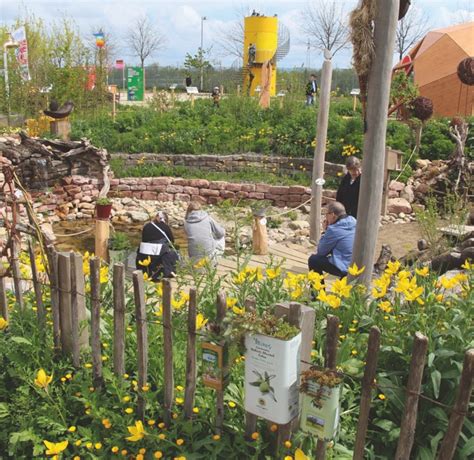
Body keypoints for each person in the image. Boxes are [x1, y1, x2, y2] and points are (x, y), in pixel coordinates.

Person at [308, 201, 356, 279]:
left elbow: (321, 252)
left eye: (326, 214)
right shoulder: (354, 221)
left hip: (345, 268)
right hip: (358, 265)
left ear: (333, 215)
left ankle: (317, 290)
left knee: (314, 260)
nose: (325, 217)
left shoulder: (334, 229)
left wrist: (325, 231)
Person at [136, 211, 179, 280]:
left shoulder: (146, 226)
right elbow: (172, 242)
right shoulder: (165, 227)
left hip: (145, 253)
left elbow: (144, 240)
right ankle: (169, 271)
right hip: (158, 254)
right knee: (171, 250)